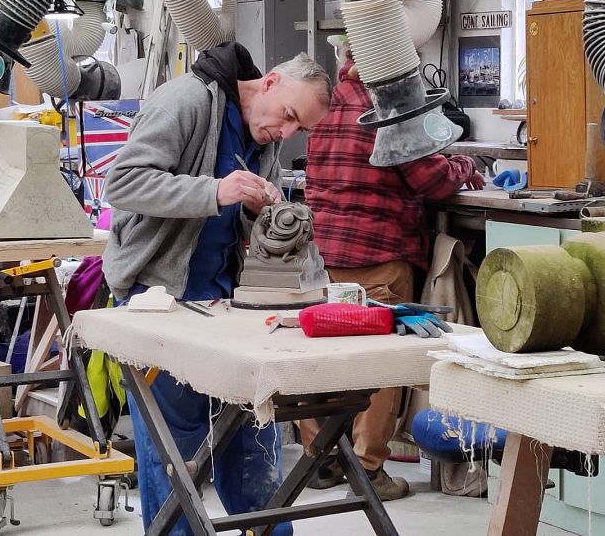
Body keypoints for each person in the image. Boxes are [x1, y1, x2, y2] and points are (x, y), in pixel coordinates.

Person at [102, 42, 332, 534]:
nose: (287, 133)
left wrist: (258, 215)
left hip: (225, 308)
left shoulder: (264, 134)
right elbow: (120, 183)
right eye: (289, 116)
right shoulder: (185, 100)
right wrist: (215, 190)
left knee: (252, 442)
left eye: (299, 129)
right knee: (176, 455)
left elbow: (248, 233)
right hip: (158, 303)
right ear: (270, 81)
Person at [301, 44, 484, 501]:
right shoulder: (392, 108)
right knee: (383, 363)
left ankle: (319, 462)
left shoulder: (324, 101)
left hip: (323, 257)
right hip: (378, 255)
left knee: (323, 360)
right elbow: (432, 180)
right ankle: (367, 470)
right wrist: (466, 165)